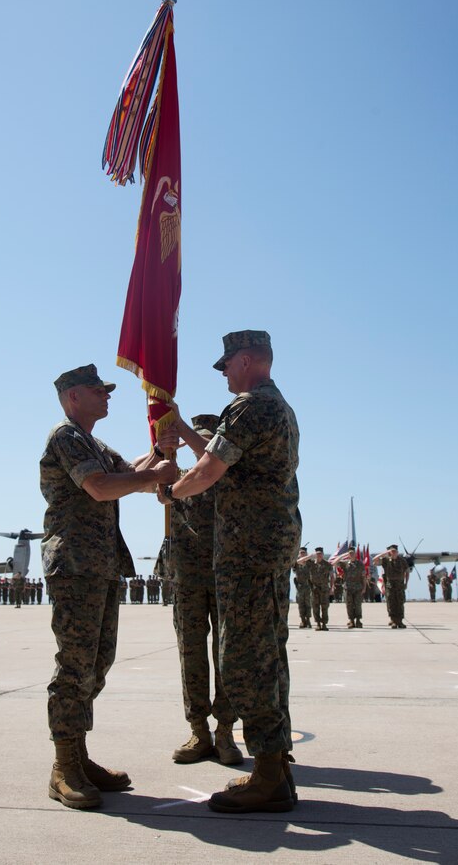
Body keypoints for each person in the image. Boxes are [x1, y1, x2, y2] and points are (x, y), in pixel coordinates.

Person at [160, 330, 301, 814]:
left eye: (226, 366)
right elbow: (221, 454)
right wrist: (179, 426)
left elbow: (208, 470)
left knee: (247, 658)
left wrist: (173, 492)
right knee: (268, 653)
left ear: (245, 361)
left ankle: (266, 775)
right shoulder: (273, 405)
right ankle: (276, 764)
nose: (223, 374)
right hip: (266, 547)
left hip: (248, 550)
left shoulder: (248, 406)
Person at [40, 363, 177, 810]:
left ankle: (79, 755)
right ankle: (64, 767)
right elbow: (100, 488)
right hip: (75, 566)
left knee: (97, 662)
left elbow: (130, 473)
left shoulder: (94, 443)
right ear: (73, 395)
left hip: (99, 567)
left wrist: (161, 448)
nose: (108, 396)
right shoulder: (66, 437)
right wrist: (153, 475)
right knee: (74, 666)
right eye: (100, 391)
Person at [166, 412, 243, 768]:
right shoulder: (178, 479)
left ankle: (225, 731)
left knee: (226, 654)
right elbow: (160, 494)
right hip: (187, 577)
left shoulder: (227, 476)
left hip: (224, 574)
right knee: (191, 653)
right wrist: (164, 453)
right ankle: (198, 730)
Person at [374, 545, 409, 628]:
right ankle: (393, 620)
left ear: (397, 552)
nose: (393, 553)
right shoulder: (386, 560)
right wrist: (385, 553)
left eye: (394, 551)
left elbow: (407, 571)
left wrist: (406, 583)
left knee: (400, 603)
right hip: (390, 584)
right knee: (391, 602)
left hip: (400, 584)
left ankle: (400, 621)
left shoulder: (402, 561)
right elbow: (374, 560)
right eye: (391, 551)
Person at [302, 547, 334, 631]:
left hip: (324, 589)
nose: (319, 555)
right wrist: (309, 556)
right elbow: (299, 561)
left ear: (323, 554)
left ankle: (324, 624)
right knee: (315, 607)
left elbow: (332, 576)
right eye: (317, 554)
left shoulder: (327, 565)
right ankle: (318, 624)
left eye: (320, 554)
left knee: (324, 607)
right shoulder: (311, 563)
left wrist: (331, 588)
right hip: (314, 589)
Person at [338, 545, 366, 628]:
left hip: (358, 588)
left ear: (355, 554)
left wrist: (364, 587)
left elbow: (363, 576)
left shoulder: (360, 564)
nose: (351, 555)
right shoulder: (345, 564)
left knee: (357, 604)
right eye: (350, 553)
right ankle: (351, 620)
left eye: (353, 553)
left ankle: (358, 620)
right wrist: (344, 555)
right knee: (349, 605)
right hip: (348, 588)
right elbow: (334, 562)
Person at [293, 547, 312, 629]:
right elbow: (295, 565)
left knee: (308, 604)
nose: (302, 554)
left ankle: (308, 620)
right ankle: (302, 620)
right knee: (301, 604)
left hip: (308, 586)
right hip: (300, 587)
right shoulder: (296, 563)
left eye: (304, 552)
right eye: (301, 553)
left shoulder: (309, 563)